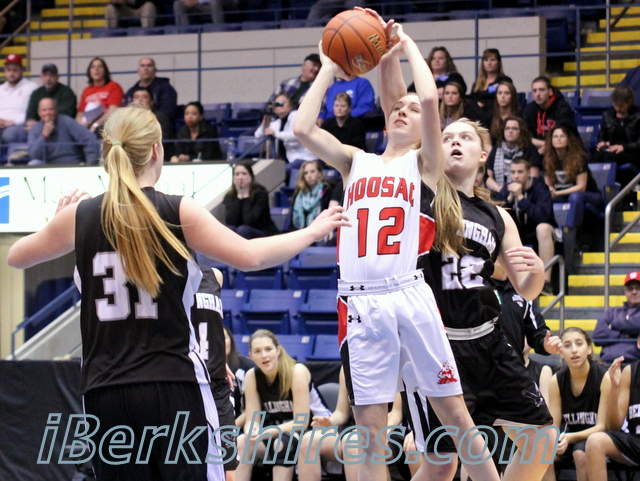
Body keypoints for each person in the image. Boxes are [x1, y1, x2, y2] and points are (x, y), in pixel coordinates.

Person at [6, 106, 347, 480]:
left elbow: (16, 257)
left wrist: (56, 221)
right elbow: (252, 256)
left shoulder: (81, 215)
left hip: (105, 390)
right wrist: (312, 231)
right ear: (156, 150)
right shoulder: (176, 209)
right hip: (174, 383)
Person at [295, 18, 501, 481]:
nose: (403, 110)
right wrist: (327, 68)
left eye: (411, 109)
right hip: (359, 301)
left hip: (409, 293)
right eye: (396, 107)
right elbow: (302, 127)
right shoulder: (355, 161)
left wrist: (405, 45)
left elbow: (428, 99)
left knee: (455, 415)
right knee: (369, 431)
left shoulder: (424, 163)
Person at [235, 329, 331, 481]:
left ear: (278, 351)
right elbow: (253, 419)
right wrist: (251, 431)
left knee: (282, 443)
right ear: (250, 356)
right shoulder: (251, 376)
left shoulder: (296, 371)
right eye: (257, 351)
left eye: (268, 349)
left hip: (316, 427)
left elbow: (301, 422)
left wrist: (270, 431)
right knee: (242, 442)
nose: (264, 355)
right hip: (277, 430)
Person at [297, 367, 404, 481]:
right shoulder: (347, 367)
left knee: (354, 442)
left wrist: (382, 432)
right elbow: (341, 413)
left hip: (389, 429)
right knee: (308, 441)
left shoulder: (393, 365)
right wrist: (330, 421)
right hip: (355, 428)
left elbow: (396, 414)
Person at [191, 267, 239, 477]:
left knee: (228, 467)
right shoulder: (170, 273)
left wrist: (219, 355)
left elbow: (214, 322)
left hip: (217, 381)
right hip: (190, 381)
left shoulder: (215, 275)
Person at [548, 328, 611, 481]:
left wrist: (570, 438)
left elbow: (603, 426)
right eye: (567, 345)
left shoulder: (604, 376)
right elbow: (554, 425)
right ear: (561, 352)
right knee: (542, 453)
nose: (574, 350)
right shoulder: (556, 380)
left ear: (589, 349)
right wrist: (555, 442)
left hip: (595, 436)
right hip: (567, 436)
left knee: (580, 454)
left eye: (579, 343)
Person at [495, 158, 555, 294]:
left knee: (543, 228)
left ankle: (546, 282)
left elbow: (544, 216)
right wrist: (509, 200)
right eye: (513, 172)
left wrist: (521, 199)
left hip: (539, 234)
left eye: (520, 172)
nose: (516, 176)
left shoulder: (540, 187)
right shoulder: (507, 189)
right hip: (518, 235)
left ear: (529, 172)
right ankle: (503, 281)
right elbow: (497, 216)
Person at [585, 357, 640, 479]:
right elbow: (614, 426)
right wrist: (614, 388)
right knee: (595, 441)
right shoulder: (629, 372)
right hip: (635, 441)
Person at [544, 125, 603, 229]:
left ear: (568, 140)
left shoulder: (578, 158)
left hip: (588, 195)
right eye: (555, 136)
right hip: (562, 195)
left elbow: (581, 187)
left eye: (562, 136)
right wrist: (550, 190)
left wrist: (557, 193)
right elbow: (549, 184)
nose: (558, 139)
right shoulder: (548, 160)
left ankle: (572, 231)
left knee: (575, 197)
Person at [595, 85, 640, 201]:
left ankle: (611, 196)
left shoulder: (638, 116)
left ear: (629, 102)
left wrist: (623, 147)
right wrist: (602, 143)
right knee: (594, 156)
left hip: (632, 151)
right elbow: (601, 136)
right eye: (616, 105)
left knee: (610, 157)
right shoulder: (607, 115)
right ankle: (600, 193)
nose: (618, 108)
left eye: (621, 106)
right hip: (611, 150)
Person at [28, 98, 100, 165]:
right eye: (44, 110)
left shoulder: (67, 121)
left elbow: (90, 139)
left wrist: (90, 163)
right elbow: (33, 155)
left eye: (51, 109)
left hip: (72, 164)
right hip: (48, 167)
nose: (48, 113)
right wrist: (44, 136)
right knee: (33, 163)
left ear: (56, 110)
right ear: (39, 113)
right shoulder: (35, 129)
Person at [254, 93, 316, 172]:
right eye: (277, 104)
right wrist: (265, 121)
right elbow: (258, 135)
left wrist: (276, 134)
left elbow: (296, 135)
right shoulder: (277, 123)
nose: (279, 106)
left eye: (282, 103)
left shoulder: (296, 115)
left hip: (305, 158)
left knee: (278, 172)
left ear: (290, 106)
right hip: (287, 160)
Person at [593, 271, 640, 364]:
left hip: (635, 363)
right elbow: (597, 337)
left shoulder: (612, 317)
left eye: (638, 288)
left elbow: (637, 324)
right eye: (630, 288)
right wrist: (626, 335)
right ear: (625, 291)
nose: (634, 292)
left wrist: (613, 326)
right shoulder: (611, 312)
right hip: (607, 362)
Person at [486, 116, 542, 193]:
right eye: (507, 128)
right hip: (498, 191)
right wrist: (499, 190)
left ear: (521, 132)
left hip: (524, 192)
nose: (510, 131)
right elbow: (488, 176)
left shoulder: (530, 149)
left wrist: (516, 190)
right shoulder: (497, 148)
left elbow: (533, 178)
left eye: (514, 128)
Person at [223, 161, 278, 239]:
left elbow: (249, 221)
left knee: (243, 230)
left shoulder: (260, 194)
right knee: (230, 229)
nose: (240, 177)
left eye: (244, 174)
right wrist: (239, 196)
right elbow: (230, 222)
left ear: (251, 177)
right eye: (237, 174)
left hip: (262, 232)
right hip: (242, 232)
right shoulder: (229, 196)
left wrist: (245, 195)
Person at [523, 76, 576, 154]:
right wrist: (544, 145)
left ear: (550, 92)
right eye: (534, 91)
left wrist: (548, 147)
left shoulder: (562, 108)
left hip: (563, 150)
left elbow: (563, 136)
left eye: (541, 90)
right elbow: (524, 135)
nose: (538, 94)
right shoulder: (529, 109)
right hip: (539, 148)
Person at [76, 57, 124, 133]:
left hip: (107, 126)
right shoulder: (86, 91)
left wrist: (96, 124)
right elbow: (80, 114)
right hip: (88, 128)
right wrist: (80, 127)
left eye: (100, 66)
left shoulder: (114, 86)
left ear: (105, 71)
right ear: (89, 71)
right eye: (93, 67)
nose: (96, 69)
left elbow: (113, 110)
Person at [0, 54, 37, 144]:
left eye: (15, 70)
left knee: (9, 135)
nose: (11, 73)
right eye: (8, 70)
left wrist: (13, 122)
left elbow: (33, 113)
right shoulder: (1, 89)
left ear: (22, 70)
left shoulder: (32, 87)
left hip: (20, 125)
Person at [290, 159, 334, 230]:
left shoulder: (327, 190)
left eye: (312, 171)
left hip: (321, 230)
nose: (309, 175)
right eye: (306, 173)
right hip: (300, 231)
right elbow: (291, 221)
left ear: (319, 173)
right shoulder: (298, 193)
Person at [129, 86, 174, 155]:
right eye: (136, 97)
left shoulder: (160, 118)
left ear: (151, 101)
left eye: (144, 97)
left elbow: (163, 141)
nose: (140, 100)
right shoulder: (127, 119)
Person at [224, 325, 254, 423]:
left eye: (224, 338)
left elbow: (254, 406)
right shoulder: (201, 371)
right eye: (216, 339)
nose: (221, 342)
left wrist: (233, 427)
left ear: (231, 340)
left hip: (242, 425)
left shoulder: (248, 366)